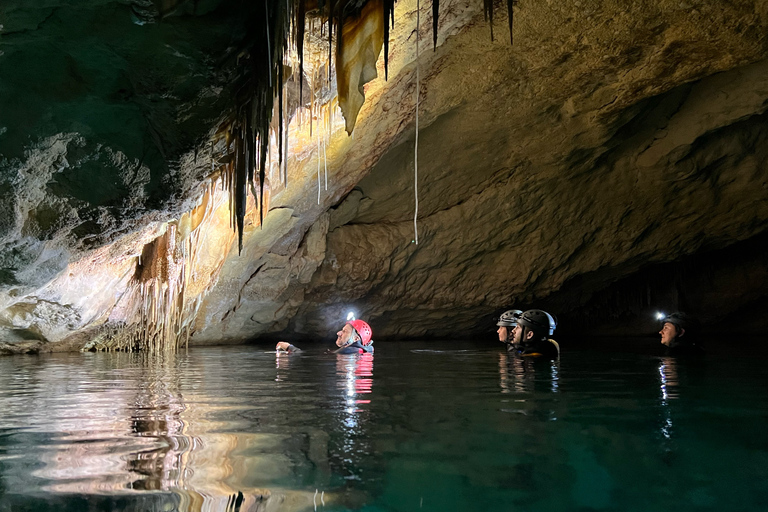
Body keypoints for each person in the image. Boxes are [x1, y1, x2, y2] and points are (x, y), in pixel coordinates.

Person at [276, 319, 374, 354]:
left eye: (344, 331)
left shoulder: (347, 351)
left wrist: (289, 347)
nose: (338, 333)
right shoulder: (360, 351)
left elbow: (304, 355)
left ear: (356, 339)